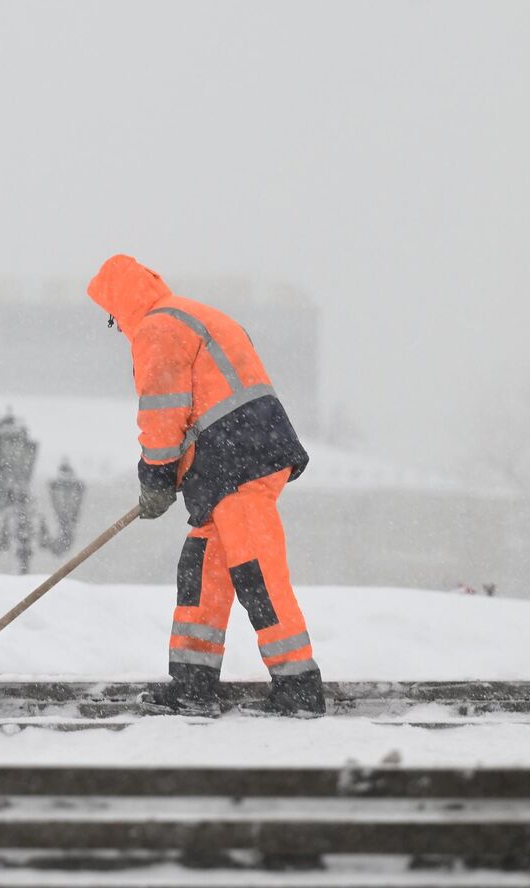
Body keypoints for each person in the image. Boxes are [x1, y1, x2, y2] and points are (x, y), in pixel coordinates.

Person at [86, 254, 325, 717]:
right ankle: (193, 684)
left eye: (111, 318)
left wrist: (156, 476)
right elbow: (201, 406)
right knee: (203, 569)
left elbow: (164, 414)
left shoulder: (158, 327)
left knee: (256, 569)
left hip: (238, 461)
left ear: (121, 306)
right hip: (232, 460)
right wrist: (169, 475)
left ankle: (298, 687)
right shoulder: (191, 314)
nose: (115, 329)